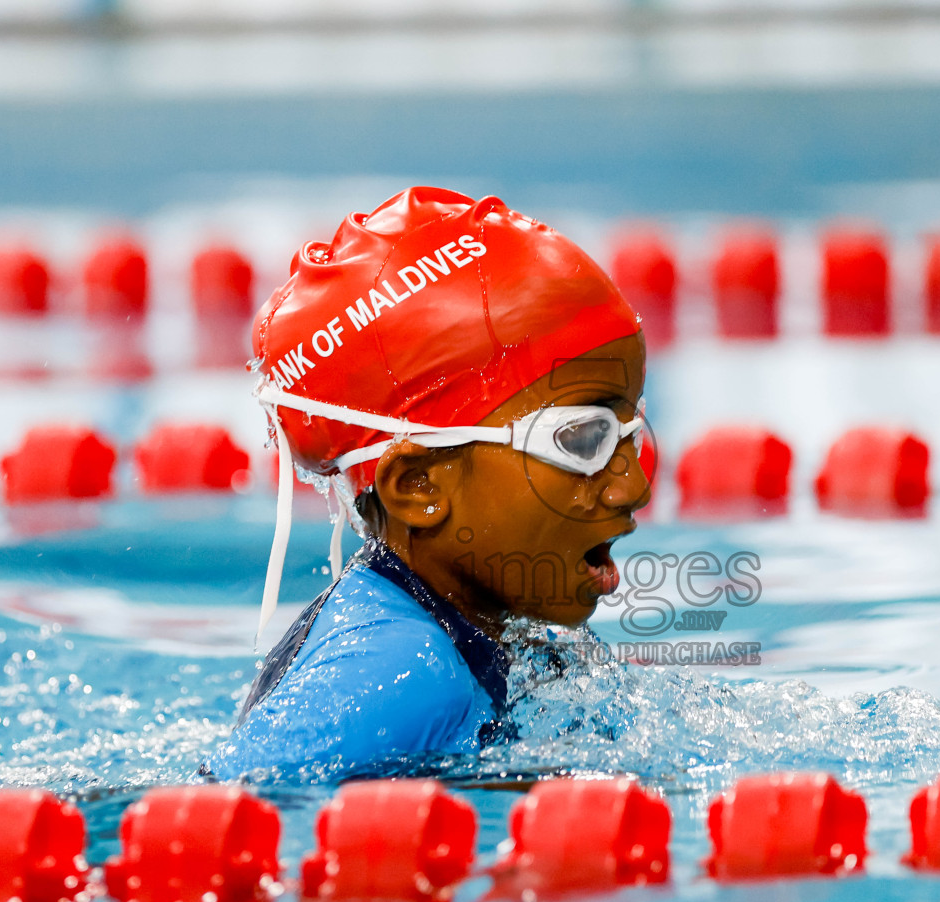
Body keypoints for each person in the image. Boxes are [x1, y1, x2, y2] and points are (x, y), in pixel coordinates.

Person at [207, 187, 651, 780]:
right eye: (581, 440)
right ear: (417, 485)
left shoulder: (456, 623)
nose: (633, 487)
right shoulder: (404, 674)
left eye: (629, 431)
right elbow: (212, 823)